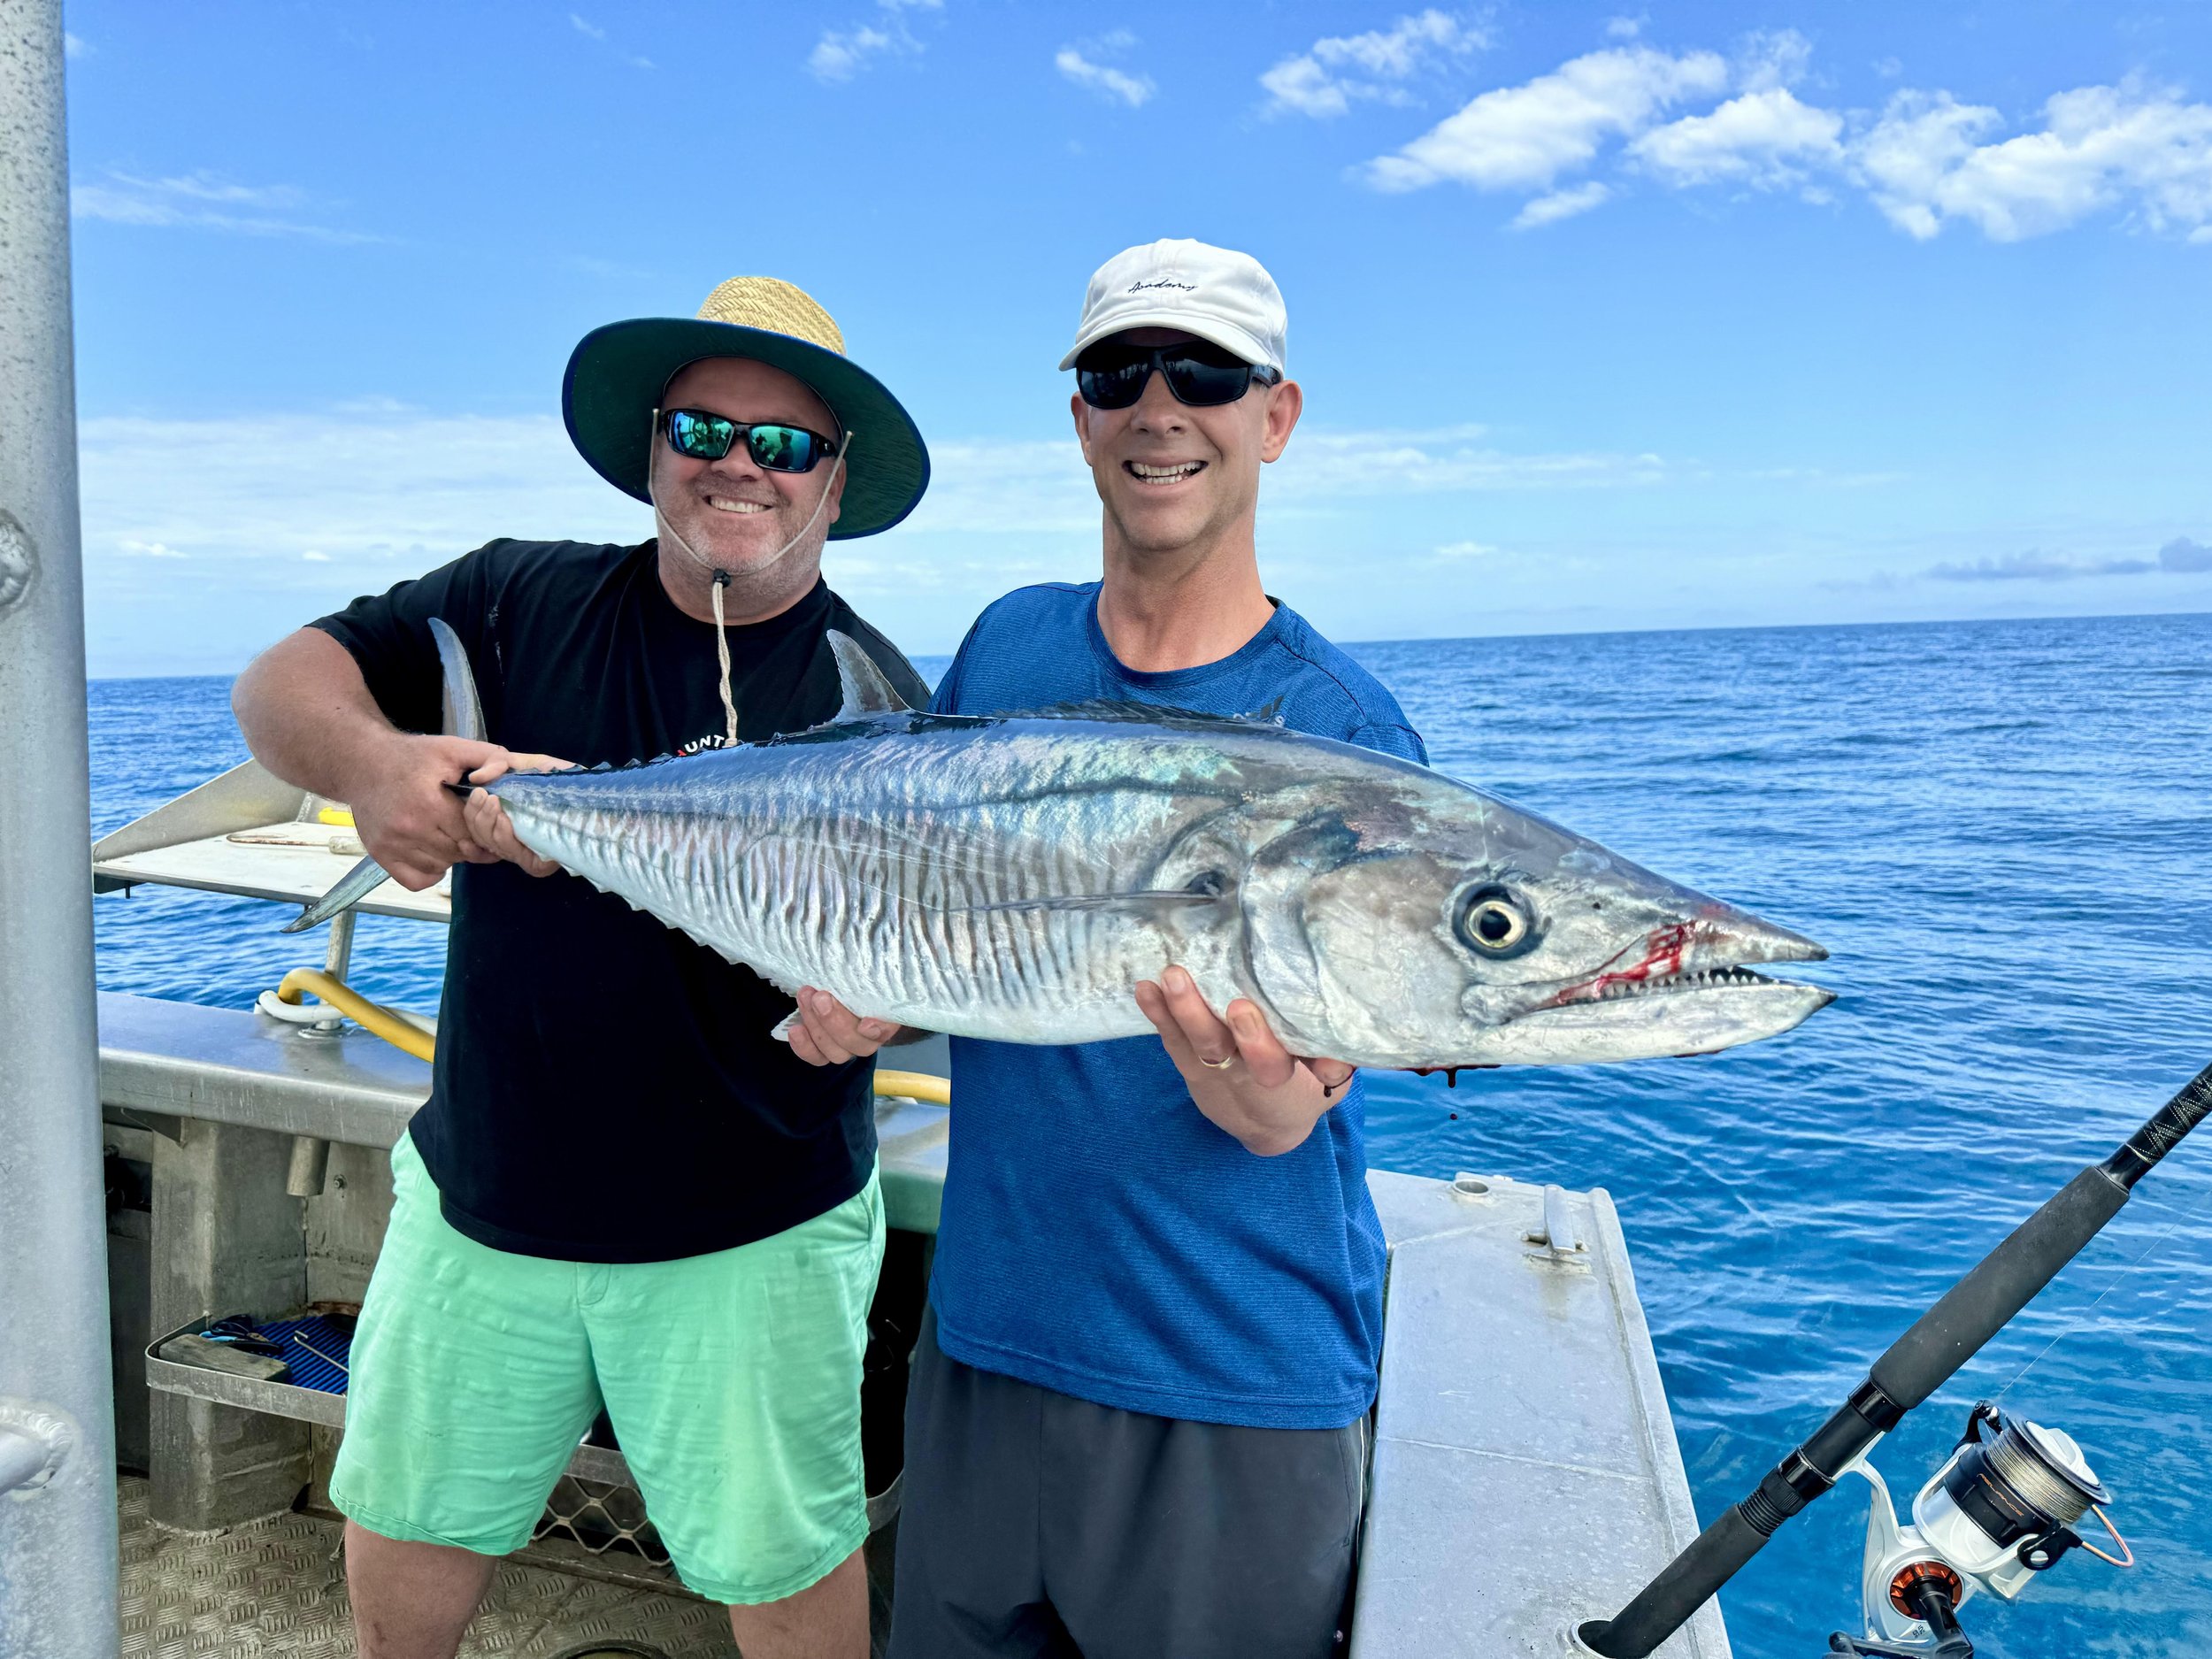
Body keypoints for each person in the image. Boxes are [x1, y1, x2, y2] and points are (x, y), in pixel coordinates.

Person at [231, 277, 933, 1659]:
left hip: (757, 1227)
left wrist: (883, 1004)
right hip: (489, 1197)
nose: (741, 463)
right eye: (704, 427)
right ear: (652, 449)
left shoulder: (881, 708)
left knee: (785, 1564)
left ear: (834, 484)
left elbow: (923, 942)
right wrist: (382, 765)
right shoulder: (512, 599)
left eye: (786, 443)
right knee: (409, 1529)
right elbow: (279, 687)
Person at [788, 239, 1425, 1659]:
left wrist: (1277, 1115)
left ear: (1277, 415)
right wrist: (878, 1004)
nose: (1158, 406)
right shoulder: (1008, 647)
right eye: (1115, 371)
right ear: (1077, 413)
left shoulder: (1347, 734)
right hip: (985, 1341)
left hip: (1225, 1378)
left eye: (1206, 372)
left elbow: (1315, 1083)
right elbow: (934, 910)